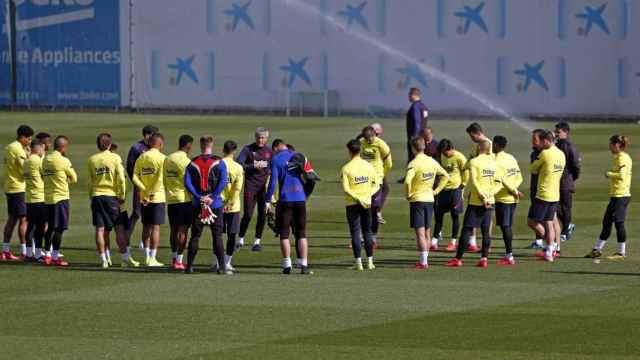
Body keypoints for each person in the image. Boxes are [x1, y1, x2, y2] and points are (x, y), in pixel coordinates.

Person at [445, 140, 501, 268]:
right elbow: (499, 183)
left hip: (477, 201)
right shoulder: (494, 163)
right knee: (486, 231)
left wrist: (482, 196)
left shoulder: (474, 162)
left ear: (479, 147)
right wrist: (489, 195)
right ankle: (484, 259)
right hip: (490, 201)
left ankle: (458, 259)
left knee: (467, 229)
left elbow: (475, 182)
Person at [87, 133, 139, 268]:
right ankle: (125, 258)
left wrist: (91, 196)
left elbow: (90, 181)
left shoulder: (92, 159)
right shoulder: (115, 157)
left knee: (100, 230)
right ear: (109, 145)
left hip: (97, 196)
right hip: (111, 197)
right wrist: (122, 195)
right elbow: (121, 179)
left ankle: (104, 259)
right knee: (119, 229)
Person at [265, 141, 313, 275]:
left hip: (285, 200)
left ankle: (287, 264)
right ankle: (304, 264)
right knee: (302, 233)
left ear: (276, 148)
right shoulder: (300, 155)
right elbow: (311, 177)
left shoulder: (275, 159)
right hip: (300, 199)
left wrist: (268, 200)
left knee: (284, 234)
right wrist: (305, 194)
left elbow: (273, 182)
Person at [184, 136, 228, 274]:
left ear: (200, 144)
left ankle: (189, 266)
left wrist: (199, 196)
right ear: (212, 144)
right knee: (217, 236)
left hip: (198, 204)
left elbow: (187, 182)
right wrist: (213, 196)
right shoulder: (219, 162)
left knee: (195, 236)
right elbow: (223, 181)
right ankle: (221, 267)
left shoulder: (192, 162)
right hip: (215, 205)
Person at [405, 137, 449, 269]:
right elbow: (446, 176)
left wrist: (408, 194)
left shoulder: (413, 163)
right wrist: (436, 191)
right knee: (427, 232)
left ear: (413, 148)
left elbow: (407, 181)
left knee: (420, 233)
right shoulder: (432, 162)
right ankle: (425, 259)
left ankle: (423, 262)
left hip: (417, 200)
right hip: (430, 199)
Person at [585, 135, 632, 260]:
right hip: (616, 196)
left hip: (621, 196)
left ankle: (621, 252)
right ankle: (597, 249)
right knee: (606, 222)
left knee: (619, 223)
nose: (609, 146)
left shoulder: (622, 158)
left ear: (617, 145)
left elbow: (621, 175)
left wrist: (609, 174)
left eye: (611, 144)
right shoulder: (619, 157)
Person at [527, 129, 566, 262]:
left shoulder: (544, 153)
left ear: (546, 141)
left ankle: (550, 245)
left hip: (543, 193)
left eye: (542, 142)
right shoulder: (561, 154)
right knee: (549, 222)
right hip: (555, 194)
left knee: (532, 222)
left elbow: (533, 169)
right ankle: (549, 252)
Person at [341, 139, 378, 271]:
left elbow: (346, 189)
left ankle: (358, 263)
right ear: (360, 150)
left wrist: (357, 198)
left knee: (355, 233)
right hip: (367, 203)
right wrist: (366, 197)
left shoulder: (346, 168)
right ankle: (370, 262)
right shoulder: (369, 166)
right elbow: (376, 185)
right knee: (367, 231)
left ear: (350, 151)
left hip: (352, 204)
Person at [42, 136, 77, 266]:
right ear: (63, 147)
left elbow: (43, 174)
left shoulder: (45, 159)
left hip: (48, 198)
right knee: (60, 228)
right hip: (61, 198)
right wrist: (66, 180)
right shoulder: (64, 161)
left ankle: (47, 255)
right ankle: (55, 257)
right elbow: (74, 178)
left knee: (50, 227)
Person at [132, 133, 166, 267]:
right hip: (157, 197)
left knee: (146, 226)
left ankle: (146, 257)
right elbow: (160, 179)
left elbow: (135, 177)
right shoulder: (163, 158)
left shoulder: (141, 157)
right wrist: (151, 193)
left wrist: (144, 191)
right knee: (156, 228)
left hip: (143, 198)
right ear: (160, 144)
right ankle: (152, 258)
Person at [236, 127, 272, 251]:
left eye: (263, 138)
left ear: (266, 139)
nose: (260, 140)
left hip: (263, 188)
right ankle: (240, 239)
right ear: (255, 137)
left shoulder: (269, 151)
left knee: (262, 215)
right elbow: (239, 163)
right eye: (258, 137)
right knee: (248, 214)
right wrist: (253, 166)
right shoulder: (248, 149)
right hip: (250, 187)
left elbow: (272, 166)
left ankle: (257, 242)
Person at [2, 125, 33, 260]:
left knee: (13, 218)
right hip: (17, 187)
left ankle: (6, 250)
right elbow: (26, 166)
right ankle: (24, 251)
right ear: (23, 137)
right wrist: (30, 155)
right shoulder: (17, 148)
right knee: (22, 219)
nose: (30, 141)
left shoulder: (10, 147)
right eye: (29, 138)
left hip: (10, 186)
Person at [164, 135, 194, 270]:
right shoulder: (186, 161)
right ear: (188, 146)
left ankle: (173, 258)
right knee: (183, 230)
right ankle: (179, 261)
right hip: (184, 200)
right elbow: (190, 182)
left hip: (171, 199)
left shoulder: (168, 159)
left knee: (173, 229)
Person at [432, 139, 468, 252]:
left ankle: (453, 242)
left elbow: (465, 172)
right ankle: (434, 241)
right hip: (443, 189)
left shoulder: (460, 157)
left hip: (455, 190)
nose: (444, 155)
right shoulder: (442, 155)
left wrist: (463, 185)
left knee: (455, 216)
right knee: (438, 215)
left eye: (445, 152)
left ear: (451, 148)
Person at [492, 136, 523, 265]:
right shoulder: (511, 158)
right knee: (507, 226)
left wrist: (513, 191)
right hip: (513, 199)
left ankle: (509, 256)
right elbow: (519, 177)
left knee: (506, 227)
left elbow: (503, 180)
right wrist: (515, 189)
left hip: (503, 198)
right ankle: (508, 254)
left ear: (497, 145)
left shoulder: (495, 160)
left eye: (493, 144)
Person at [126, 125, 159, 246]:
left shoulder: (155, 147)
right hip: (140, 187)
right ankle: (126, 240)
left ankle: (144, 242)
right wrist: (137, 183)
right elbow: (130, 167)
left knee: (152, 215)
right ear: (147, 135)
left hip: (154, 188)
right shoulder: (136, 148)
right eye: (154, 135)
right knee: (136, 213)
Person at [359, 126, 392, 246]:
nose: (368, 141)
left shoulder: (381, 145)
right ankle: (360, 236)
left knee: (374, 210)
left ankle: (373, 237)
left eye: (370, 139)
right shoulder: (361, 143)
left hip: (376, 181)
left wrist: (381, 174)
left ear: (374, 135)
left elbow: (389, 163)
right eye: (366, 139)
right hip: (363, 180)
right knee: (362, 208)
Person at [464, 122, 492, 250]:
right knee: (474, 213)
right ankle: (473, 242)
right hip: (475, 185)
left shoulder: (489, 145)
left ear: (477, 133)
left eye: (472, 136)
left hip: (484, 185)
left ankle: (486, 244)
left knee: (486, 217)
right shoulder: (479, 146)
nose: (472, 139)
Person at [554, 122, 581, 241]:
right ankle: (568, 226)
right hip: (555, 181)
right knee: (554, 207)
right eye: (556, 132)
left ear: (566, 132)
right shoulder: (556, 145)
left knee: (565, 208)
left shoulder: (569, 146)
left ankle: (565, 232)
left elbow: (576, 165)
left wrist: (571, 177)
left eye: (558, 132)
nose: (556, 134)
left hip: (566, 182)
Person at [221, 140, 244, 271]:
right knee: (231, 235)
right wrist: (230, 203)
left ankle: (217, 262)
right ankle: (227, 262)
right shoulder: (238, 167)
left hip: (219, 205)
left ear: (223, 150)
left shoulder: (217, 164)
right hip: (233, 207)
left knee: (217, 234)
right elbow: (237, 188)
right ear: (234, 151)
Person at [399, 87, 429, 183]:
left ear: (413, 95)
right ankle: (422, 176)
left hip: (415, 137)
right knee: (420, 157)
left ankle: (409, 177)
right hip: (423, 137)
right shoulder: (424, 106)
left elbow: (417, 122)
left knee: (412, 157)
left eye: (409, 94)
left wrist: (414, 137)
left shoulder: (415, 106)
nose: (408, 97)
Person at [23, 139, 46, 262]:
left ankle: (28, 254)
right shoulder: (38, 161)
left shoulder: (26, 162)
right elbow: (45, 175)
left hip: (29, 198)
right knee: (40, 227)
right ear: (38, 148)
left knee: (30, 226)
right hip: (40, 197)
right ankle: (37, 254)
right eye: (42, 148)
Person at [370, 123, 390, 225]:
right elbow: (389, 162)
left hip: (378, 172)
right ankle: (375, 213)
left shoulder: (362, 140)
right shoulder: (379, 143)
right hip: (375, 173)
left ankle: (376, 212)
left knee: (385, 189)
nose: (378, 135)